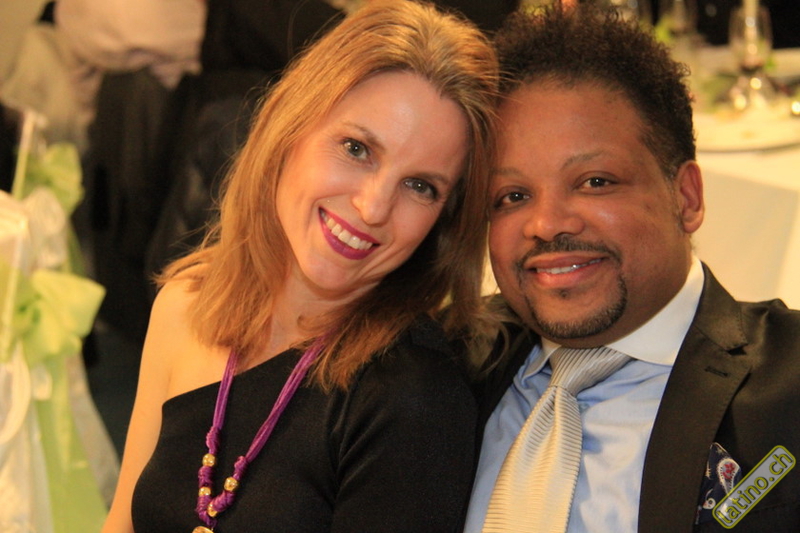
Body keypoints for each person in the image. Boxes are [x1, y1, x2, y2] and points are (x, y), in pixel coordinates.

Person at [101, 1, 499, 531]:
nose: (373, 207)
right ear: (291, 126)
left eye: (420, 186)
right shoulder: (186, 302)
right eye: (357, 148)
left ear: (443, 221)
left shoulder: (412, 398)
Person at [465, 3, 800, 533]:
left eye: (595, 182)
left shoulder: (788, 385)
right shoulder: (441, 368)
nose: (546, 224)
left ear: (686, 197)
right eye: (512, 195)